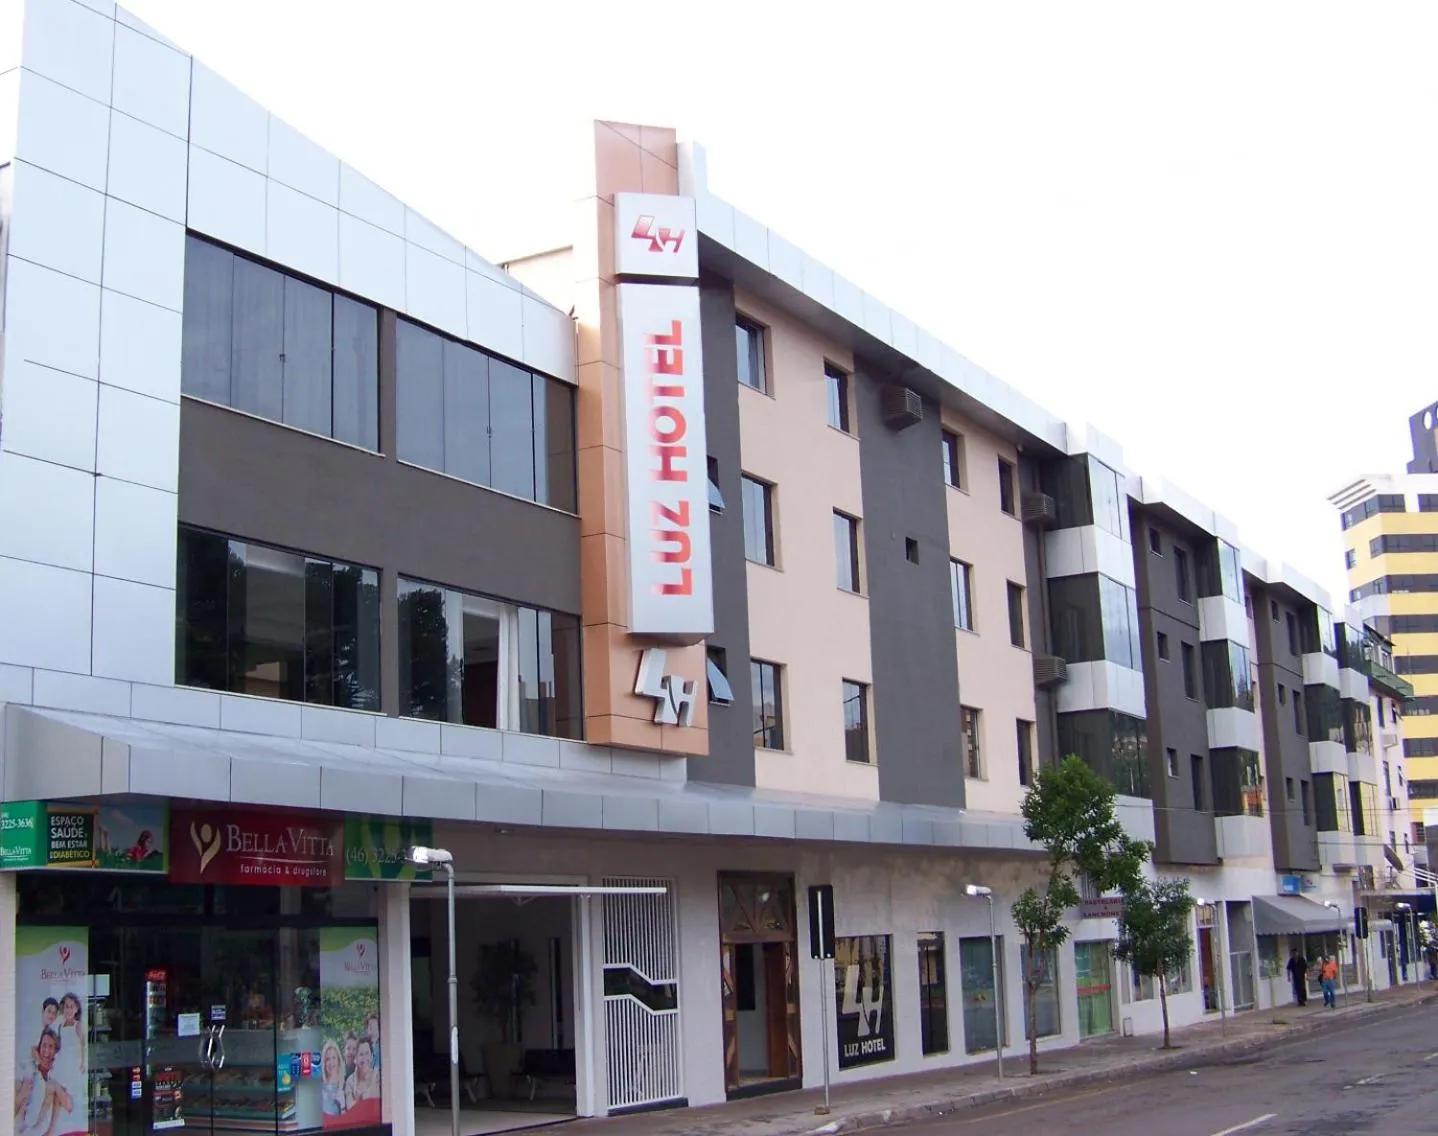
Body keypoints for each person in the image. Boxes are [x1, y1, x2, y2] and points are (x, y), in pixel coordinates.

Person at [15, 1030, 75, 1136]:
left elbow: (69, 1106)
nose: (46, 1050)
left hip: (41, 1125)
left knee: (52, 1086)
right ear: (39, 1046)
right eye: (44, 1045)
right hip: (23, 1118)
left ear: (56, 1051)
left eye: (51, 1047)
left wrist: (55, 1086)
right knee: (18, 1084)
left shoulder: (57, 1071)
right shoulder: (32, 1064)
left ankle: (45, 1132)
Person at [319, 1042, 346, 1118]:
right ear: (324, 1062)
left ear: (338, 1059)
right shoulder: (319, 1085)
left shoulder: (345, 1083)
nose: (331, 1063)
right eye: (328, 1059)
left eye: (334, 1058)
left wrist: (342, 1106)